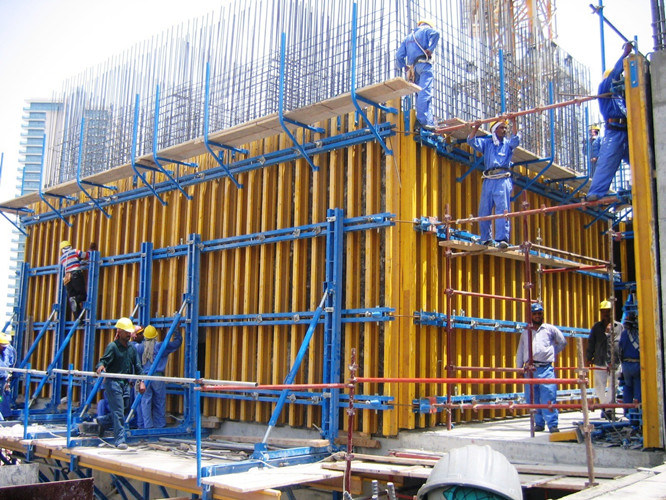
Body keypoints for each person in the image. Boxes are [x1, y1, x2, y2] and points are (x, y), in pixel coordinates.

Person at [586, 42, 634, 201]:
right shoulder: (604, 87)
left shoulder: (620, 97)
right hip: (614, 131)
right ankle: (596, 193)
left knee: (638, 159)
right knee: (607, 161)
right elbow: (614, 75)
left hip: (627, 131)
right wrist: (624, 56)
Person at [467, 117, 520, 248]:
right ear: (495, 129)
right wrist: (476, 127)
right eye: (501, 128)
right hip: (489, 180)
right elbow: (471, 140)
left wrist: (514, 122)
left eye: (505, 128)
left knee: (502, 209)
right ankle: (485, 238)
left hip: (502, 179)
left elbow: (516, 139)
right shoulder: (487, 143)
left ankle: (502, 239)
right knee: (484, 209)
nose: (504, 130)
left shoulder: (507, 144)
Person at [516, 303, 567, 433]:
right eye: (535, 313)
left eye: (539, 313)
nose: (537, 316)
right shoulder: (526, 332)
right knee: (532, 398)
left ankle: (552, 424)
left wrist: (551, 352)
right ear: (530, 315)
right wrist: (519, 368)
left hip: (546, 368)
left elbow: (562, 342)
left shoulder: (550, 329)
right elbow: (521, 351)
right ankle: (538, 423)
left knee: (549, 396)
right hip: (530, 370)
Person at [95, 318, 145, 449]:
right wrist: (101, 366)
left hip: (126, 384)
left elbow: (138, 366)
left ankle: (102, 421)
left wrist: (142, 382)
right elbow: (103, 361)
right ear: (120, 331)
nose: (129, 335)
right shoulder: (113, 347)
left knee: (125, 409)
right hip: (113, 383)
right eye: (126, 332)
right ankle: (120, 440)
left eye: (130, 332)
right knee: (118, 412)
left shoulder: (131, 349)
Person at [134, 325, 183, 428]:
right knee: (159, 402)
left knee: (145, 402)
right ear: (155, 336)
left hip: (144, 378)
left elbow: (130, 346)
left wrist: (133, 334)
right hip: (157, 378)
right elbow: (176, 343)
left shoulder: (139, 347)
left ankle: (146, 426)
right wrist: (176, 331)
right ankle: (159, 425)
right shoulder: (160, 346)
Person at [396, 19, 440, 131]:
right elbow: (436, 34)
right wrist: (430, 49)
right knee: (425, 92)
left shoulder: (408, 38)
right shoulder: (426, 30)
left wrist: (404, 66)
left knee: (419, 94)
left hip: (413, 69)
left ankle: (427, 120)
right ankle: (423, 121)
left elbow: (398, 56)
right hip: (424, 65)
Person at [586, 300, 622, 419]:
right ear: (601, 313)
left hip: (615, 362)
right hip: (600, 361)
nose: (606, 314)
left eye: (608, 311)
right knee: (599, 386)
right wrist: (588, 357)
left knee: (613, 387)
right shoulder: (597, 327)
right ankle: (607, 408)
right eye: (604, 312)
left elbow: (622, 344)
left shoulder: (619, 327)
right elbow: (591, 343)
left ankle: (608, 410)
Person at [59, 240, 96, 318]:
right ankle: (76, 299)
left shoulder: (61, 258)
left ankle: (79, 320)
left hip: (67, 279)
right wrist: (90, 252)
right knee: (82, 295)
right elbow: (86, 256)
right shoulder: (74, 251)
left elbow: (73, 261)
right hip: (76, 275)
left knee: (72, 298)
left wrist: (79, 260)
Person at [619, 312, 641, 412]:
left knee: (627, 387)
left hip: (626, 365)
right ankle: (637, 411)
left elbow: (620, 349)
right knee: (638, 386)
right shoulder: (638, 334)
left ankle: (626, 411)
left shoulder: (624, 334)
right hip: (637, 364)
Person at [0, 333, 17, 420]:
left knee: (2, 396)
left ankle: (5, 415)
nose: (4, 347)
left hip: (3, 377)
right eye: (2, 346)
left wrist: (8, 375)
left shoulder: (8, 350)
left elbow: (10, 362)